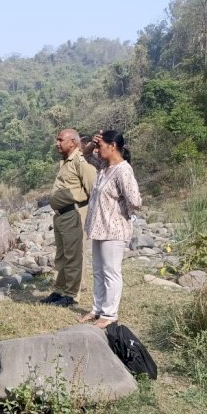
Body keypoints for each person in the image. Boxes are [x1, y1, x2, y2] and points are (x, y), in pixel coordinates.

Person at [80, 130, 142, 329]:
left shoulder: (123, 170)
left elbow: (135, 200)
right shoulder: (105, 166)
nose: (98, 150)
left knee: (111, 272)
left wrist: (123, 213)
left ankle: (109, 314)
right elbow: (85, 155)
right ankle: (97, 309)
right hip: (99, 228)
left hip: (114, 229)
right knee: (98, 271)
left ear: (112, 146)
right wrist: (93, 142)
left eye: (101, 146)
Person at [41, 129, 97, 307]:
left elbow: (93, 191)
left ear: (72, 142)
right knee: (62, 256)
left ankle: (71, 295)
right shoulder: (66, 162)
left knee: (74, 256)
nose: (57, 143)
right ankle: (59, 290)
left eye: (60, 140)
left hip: (74, 214)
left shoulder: (80, 163)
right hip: (61, 215)